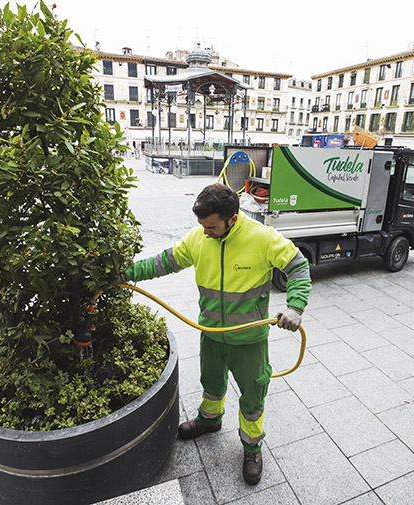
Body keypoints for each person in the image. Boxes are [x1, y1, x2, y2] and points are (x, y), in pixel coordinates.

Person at [121, 184, 311, 485]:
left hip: (248, 341)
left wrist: (295, 307)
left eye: (210, 226)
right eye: (201, 226)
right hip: (210, 334)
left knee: (253, 396)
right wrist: (125, 272)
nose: (204, 232)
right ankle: (210, 420)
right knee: (211, 383)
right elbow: (163, 262)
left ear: (231, 219)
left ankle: (251, 448)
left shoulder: (262, 238)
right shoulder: (199, 237)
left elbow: (299, 267)